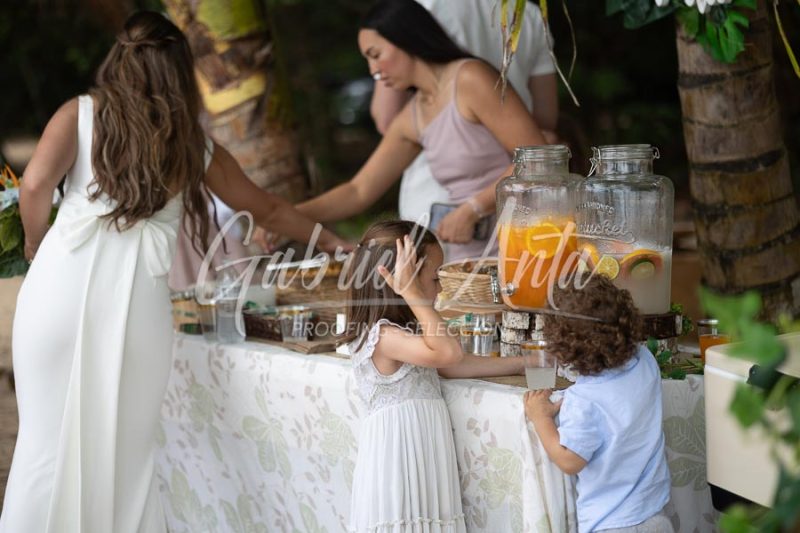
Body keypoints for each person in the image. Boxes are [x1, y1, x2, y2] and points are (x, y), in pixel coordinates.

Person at [0, 12, 347, 533]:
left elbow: (33, 188)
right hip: (138, 307)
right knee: (127, 455)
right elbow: (269, 210)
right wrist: (336, 244)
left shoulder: (78, 114)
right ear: (181, 74)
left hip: (57, 291)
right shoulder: (194, 146)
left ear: (119, 60)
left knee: (43, 445)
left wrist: (34, 243)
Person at [292, 0, 547, 262]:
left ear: (405, 39)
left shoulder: (470, 78)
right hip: (462, 257)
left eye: (376, 55)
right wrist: (285, 215)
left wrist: (474, 209)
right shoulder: (414, 114)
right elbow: (358, 191)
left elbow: (537, 159)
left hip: (517, 247)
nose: (373, 71)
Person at [346, 220, 525, 532]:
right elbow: (449, 354)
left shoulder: (409, 334)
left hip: (422, 459)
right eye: (434, 278)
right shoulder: (382, 337)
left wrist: (524, 362)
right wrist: (414, 295)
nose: (440, 288)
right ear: (401, 282)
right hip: (398, 465)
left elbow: (455, 365)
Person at [370, 0, 559, 228]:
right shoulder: (527, 13)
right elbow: (545, 120)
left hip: (436, 201)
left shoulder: (422, 6)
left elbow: (386, 119)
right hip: (518, 202)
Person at [523, 275, 673, 533]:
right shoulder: (645, 360)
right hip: (655, 513)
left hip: (611, 522)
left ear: (562, 346)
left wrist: (541, 418)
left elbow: (570, 461)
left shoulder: (584, 401)